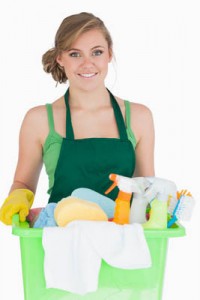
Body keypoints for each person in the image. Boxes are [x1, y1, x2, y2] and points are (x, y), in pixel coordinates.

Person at [0, 12, 155, 225]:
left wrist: (161, 209)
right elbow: (23, 182)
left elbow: (146, 189)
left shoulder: (138, 117)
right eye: (75, 54)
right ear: (60, 58)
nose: (87, 63)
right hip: (59, 240)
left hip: (124, 244)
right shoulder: (39, 120)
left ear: (109, 54)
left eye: (96, 52)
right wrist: (17, 197)